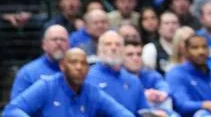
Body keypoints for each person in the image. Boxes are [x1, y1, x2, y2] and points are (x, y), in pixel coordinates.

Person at [3, 48, 131, 117]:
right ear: (62, 66)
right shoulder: (47, 86)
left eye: (83, 63)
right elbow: (12, 110)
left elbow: (121, 113)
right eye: (73, 62)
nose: (79, 67)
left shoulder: (93, 93)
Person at [166, 35, 211, 117]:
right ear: (186, 51)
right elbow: (182, 105)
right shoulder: (176, 73)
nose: (201, 51)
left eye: (204, 47)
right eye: (195, 48)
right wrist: (207, 105)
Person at [11, 25, 70, 98]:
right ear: (44, 45)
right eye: (54, 39)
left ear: (69, 45)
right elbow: (16, 104)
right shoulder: (27, 74)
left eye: (63, 40)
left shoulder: (77, 71)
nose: (59, 43)